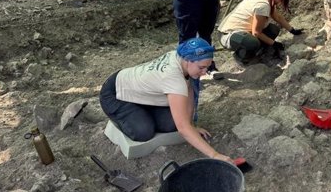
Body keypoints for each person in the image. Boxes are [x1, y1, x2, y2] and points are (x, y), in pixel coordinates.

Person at [99, 38, 234, 163]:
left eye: (207, 67)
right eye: (201, 67)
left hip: (139, 92)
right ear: (188, 60)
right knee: (143, 131)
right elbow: (183, 129)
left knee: (172, 124)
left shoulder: (180, 58)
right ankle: (124, 117)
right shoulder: (173, 79)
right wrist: (215, 155)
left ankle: (140, 113)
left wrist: (191, 125)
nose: (205, 72)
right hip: (115, 93)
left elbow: (189, 90)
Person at [218, 0, 303, 64]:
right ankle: (242, 56)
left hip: (242, 31)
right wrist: (274, 44)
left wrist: (293, 30)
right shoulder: (263, 5)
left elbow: (278, 17)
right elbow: (256, 33)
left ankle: (258, 51)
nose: (283, 0)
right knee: (252, 43)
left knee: (273, 29)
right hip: (228, 35)